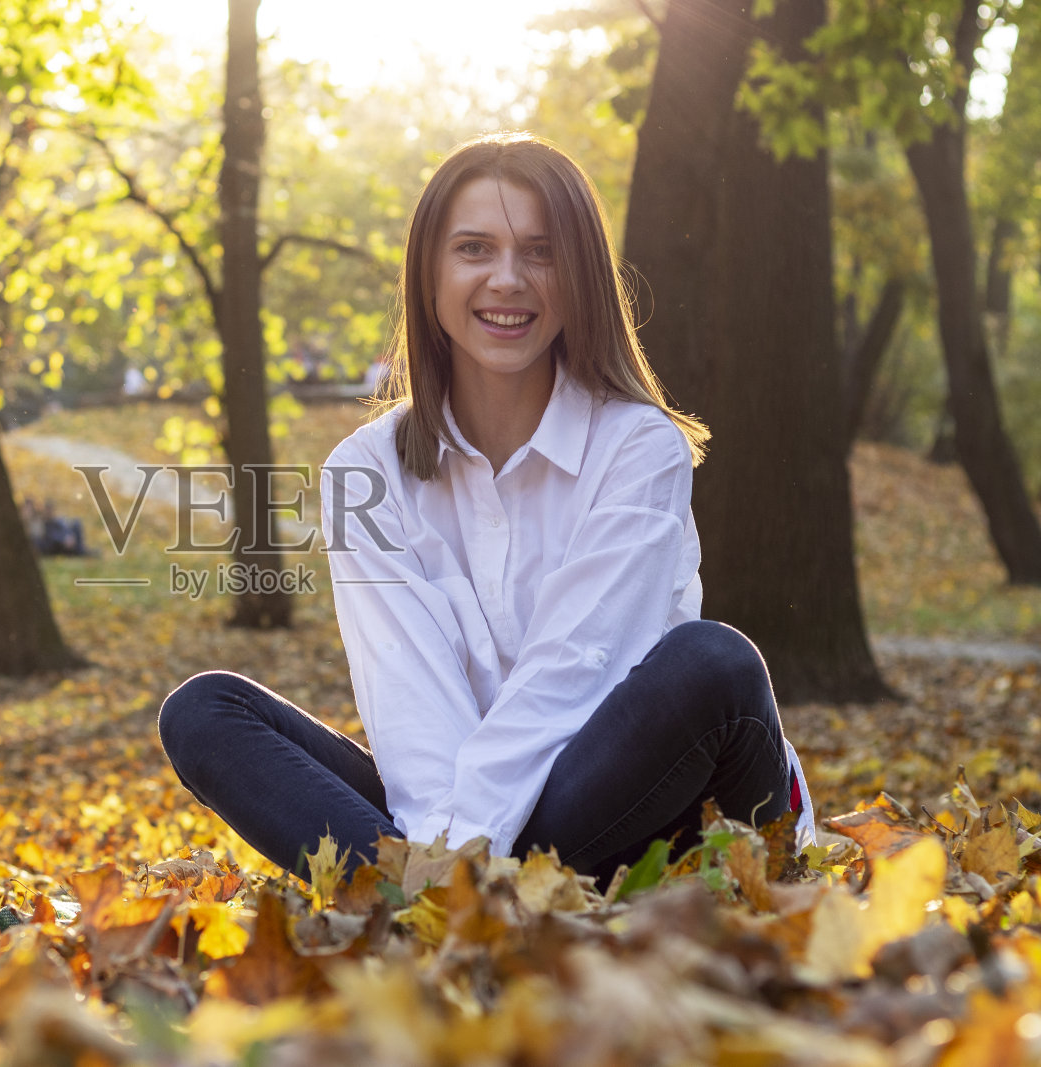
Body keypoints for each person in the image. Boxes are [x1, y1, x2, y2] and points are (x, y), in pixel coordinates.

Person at [158, 133, 814, 886]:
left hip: (645, 811)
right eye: (474, 248)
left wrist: (455, 864)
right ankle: (438, 907)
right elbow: (410, 700)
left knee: (715, 661)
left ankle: (424, 906)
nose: (508, 278)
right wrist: (450, 855)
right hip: (469, 817)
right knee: (205, 711)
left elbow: (577, 672)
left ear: (580, 277)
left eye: (541, 252)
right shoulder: (364, 471)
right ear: (429, 275)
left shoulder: (638, 446)